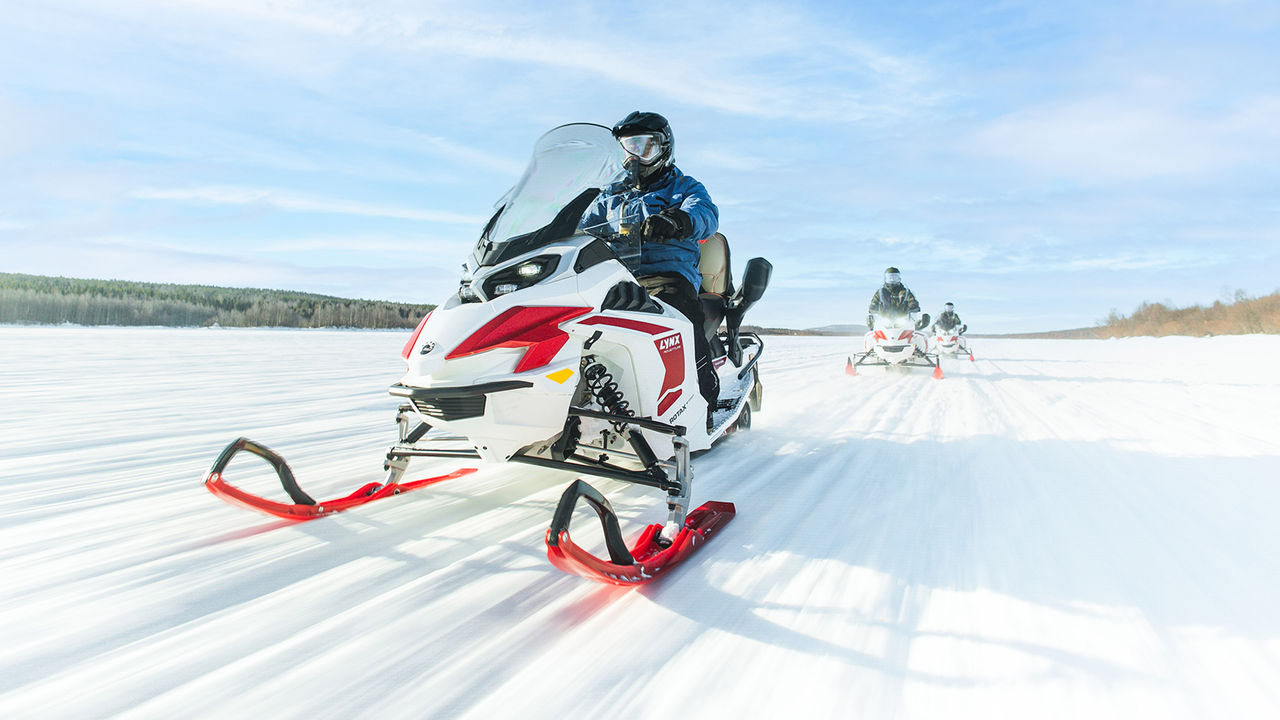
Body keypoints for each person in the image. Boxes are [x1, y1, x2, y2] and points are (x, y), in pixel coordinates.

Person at [578, 111, 721, 428]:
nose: (634, 156)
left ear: (664, 148)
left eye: (643, 146)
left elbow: (705, 214)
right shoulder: (610, 195)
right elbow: (579, 225)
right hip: (610, 276)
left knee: (680, 315)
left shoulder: (684, 187)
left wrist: (677, 221)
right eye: (627, 148)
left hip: (665, 275)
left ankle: (703, 395)